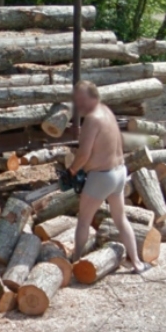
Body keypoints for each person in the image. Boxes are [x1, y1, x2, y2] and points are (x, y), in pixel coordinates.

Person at [67, 81, 148, 274]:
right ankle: (137, 263)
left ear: (92, 97)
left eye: (80, 100)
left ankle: (75, 263)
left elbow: (84, 153)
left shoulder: (92, 119)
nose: (78, 104)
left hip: (102, 177)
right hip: (119, 172)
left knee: (84, 221)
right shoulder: (107, 111)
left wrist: (72, 169)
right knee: (120, 218)